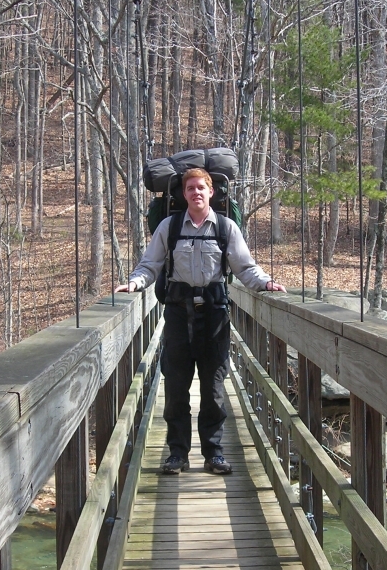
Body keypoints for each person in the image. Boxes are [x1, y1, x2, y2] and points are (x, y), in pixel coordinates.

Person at [116, 168, 286, 475]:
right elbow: (150, 265)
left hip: (215, 315)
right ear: (184, 194)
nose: (196, 192)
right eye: (190, 188)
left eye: (201, 188)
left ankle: (214, 453)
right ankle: (177, 454)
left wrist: (266, 283)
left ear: (212, 192)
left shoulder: (225, 227)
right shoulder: (169, 227)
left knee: (213, 387)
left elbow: (246, 268)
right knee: (177, 387)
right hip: (178, 315)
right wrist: (134, 284)